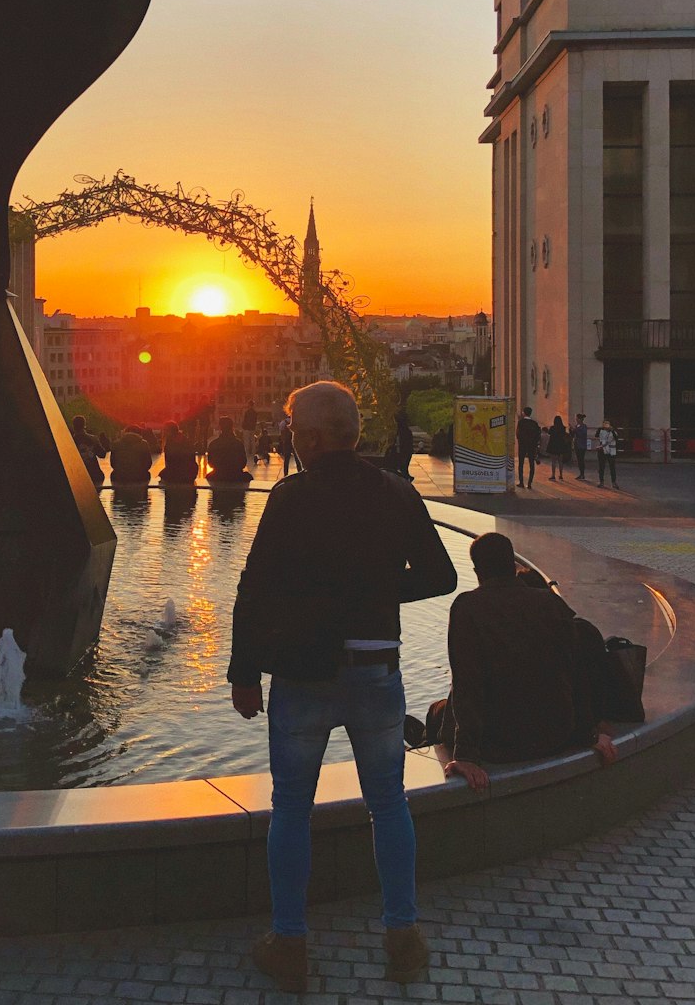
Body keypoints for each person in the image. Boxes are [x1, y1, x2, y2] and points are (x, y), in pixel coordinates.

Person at [229, 381, 458, 990]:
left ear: (309, 437)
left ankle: (290, 944)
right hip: (376, 671)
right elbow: (441, 574)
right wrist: (380, 591)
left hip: (303, 674)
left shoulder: (290, 498)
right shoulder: (397, 493)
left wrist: (243, 673)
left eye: (294, 433)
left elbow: (254, 590)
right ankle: (403, 937)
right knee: (389, 802)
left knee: (291, 809)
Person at [413, 533, 616, 791]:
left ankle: (420, 740)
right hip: (556, 735)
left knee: (438, 713)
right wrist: (589, 733)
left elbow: (467, 685)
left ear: (477, 571)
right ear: (514, 565)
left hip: (499, 744)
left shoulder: (468, 607)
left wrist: (466, 757)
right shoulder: (551, 603)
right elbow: (573, 672)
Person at [206, 416, 252, 485]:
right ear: (231, 427)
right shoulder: (238, 444)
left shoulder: (214, 444)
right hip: (236, 475)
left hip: (219, 475)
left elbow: (211, 463)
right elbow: (243, 463)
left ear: (220, 427)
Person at [160, 421, 198, 485]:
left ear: (169, 431)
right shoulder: (186, 439)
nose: (164, 432)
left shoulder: (170, 443)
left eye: (165, 430)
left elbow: (169, 462)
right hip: (191, 473)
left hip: (178, 473)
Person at [516, 406, 541, 489]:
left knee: (521, 464)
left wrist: (521, 441)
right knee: (531, 464)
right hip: (531, 446)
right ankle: (530, 483)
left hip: (523, 445)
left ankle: (521, 482)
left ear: (524, 412)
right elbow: (538, 435)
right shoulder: (534, 423)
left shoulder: (521, 422)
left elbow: (518, 434)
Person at [595, 418, 619, 490]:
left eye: (607, 424)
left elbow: (616, 438)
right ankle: (601, 482)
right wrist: (600, 429)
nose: (606, 425)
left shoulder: (613, 431)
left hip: (611, 451)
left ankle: (614, 482)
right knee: (601, 467)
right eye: (605, 423)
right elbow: (596, 436)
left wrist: (612, 430)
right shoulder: (601, 430)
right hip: (602, 450)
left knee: (612, 467)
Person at [547, 414, 569, 481]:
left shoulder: (552, 428)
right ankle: (561, 475)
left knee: (553, 461)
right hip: (561, 446)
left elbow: (549, 433)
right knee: (560, 461)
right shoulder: (563, 428)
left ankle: (553, 475)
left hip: (553, 445)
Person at [241, 399, 258, 464]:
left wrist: (243, 426)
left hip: (246, 428)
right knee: (252, 441)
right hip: (252, 428)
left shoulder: (247, 412)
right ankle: (253, 452)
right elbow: (255, 421)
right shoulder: (255, 412)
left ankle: (247, 453)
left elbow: (244, 420)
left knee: (247, 441)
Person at [573, 413, 588, 480]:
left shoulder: (583, 426)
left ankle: (582, 474)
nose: (576, 419)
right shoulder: (577, 426)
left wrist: (576, 430)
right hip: (577, 444)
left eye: (577, 418)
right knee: (579, 460)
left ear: (580, 419)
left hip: (581, 445)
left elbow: (583, 434)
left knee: (581, 460)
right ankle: (581, 474)